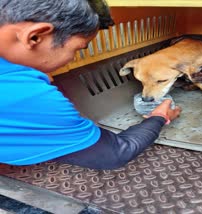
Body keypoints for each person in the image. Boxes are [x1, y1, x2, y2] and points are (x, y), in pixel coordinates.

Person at [0, 0, 181, 170]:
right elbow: (115, 153)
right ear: (35, 37)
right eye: (78, 49)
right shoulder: (28, 94)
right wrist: (158, 116)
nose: (72, 58)